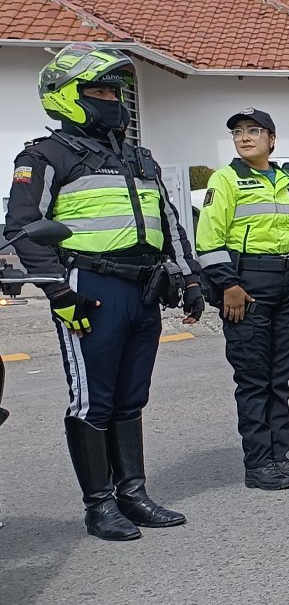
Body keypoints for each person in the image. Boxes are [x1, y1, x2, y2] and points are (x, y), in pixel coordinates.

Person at [4, 43, 203, 540]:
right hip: (88, 288)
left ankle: (131, 494)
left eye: (117, 91)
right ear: (65, 95)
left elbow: (169, 220)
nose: (113, 100)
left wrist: (190, 275)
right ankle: (99, 506)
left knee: (131, 398)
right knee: (93, 400)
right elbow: (24, 229)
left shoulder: (139, 157)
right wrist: (58, 292)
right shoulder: (43, 155)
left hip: (142, 290)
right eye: (99, 90)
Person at [197, 108, 289, 490]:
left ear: (272, 138)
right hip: (247, 287)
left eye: (254, 130)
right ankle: (258, 463)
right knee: (254, 379)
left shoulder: (288, 182)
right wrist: (227, 284)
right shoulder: (226, 179)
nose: (245, 137)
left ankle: (279, 456)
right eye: (238, 132)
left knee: (279, 379)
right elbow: (209, 239)